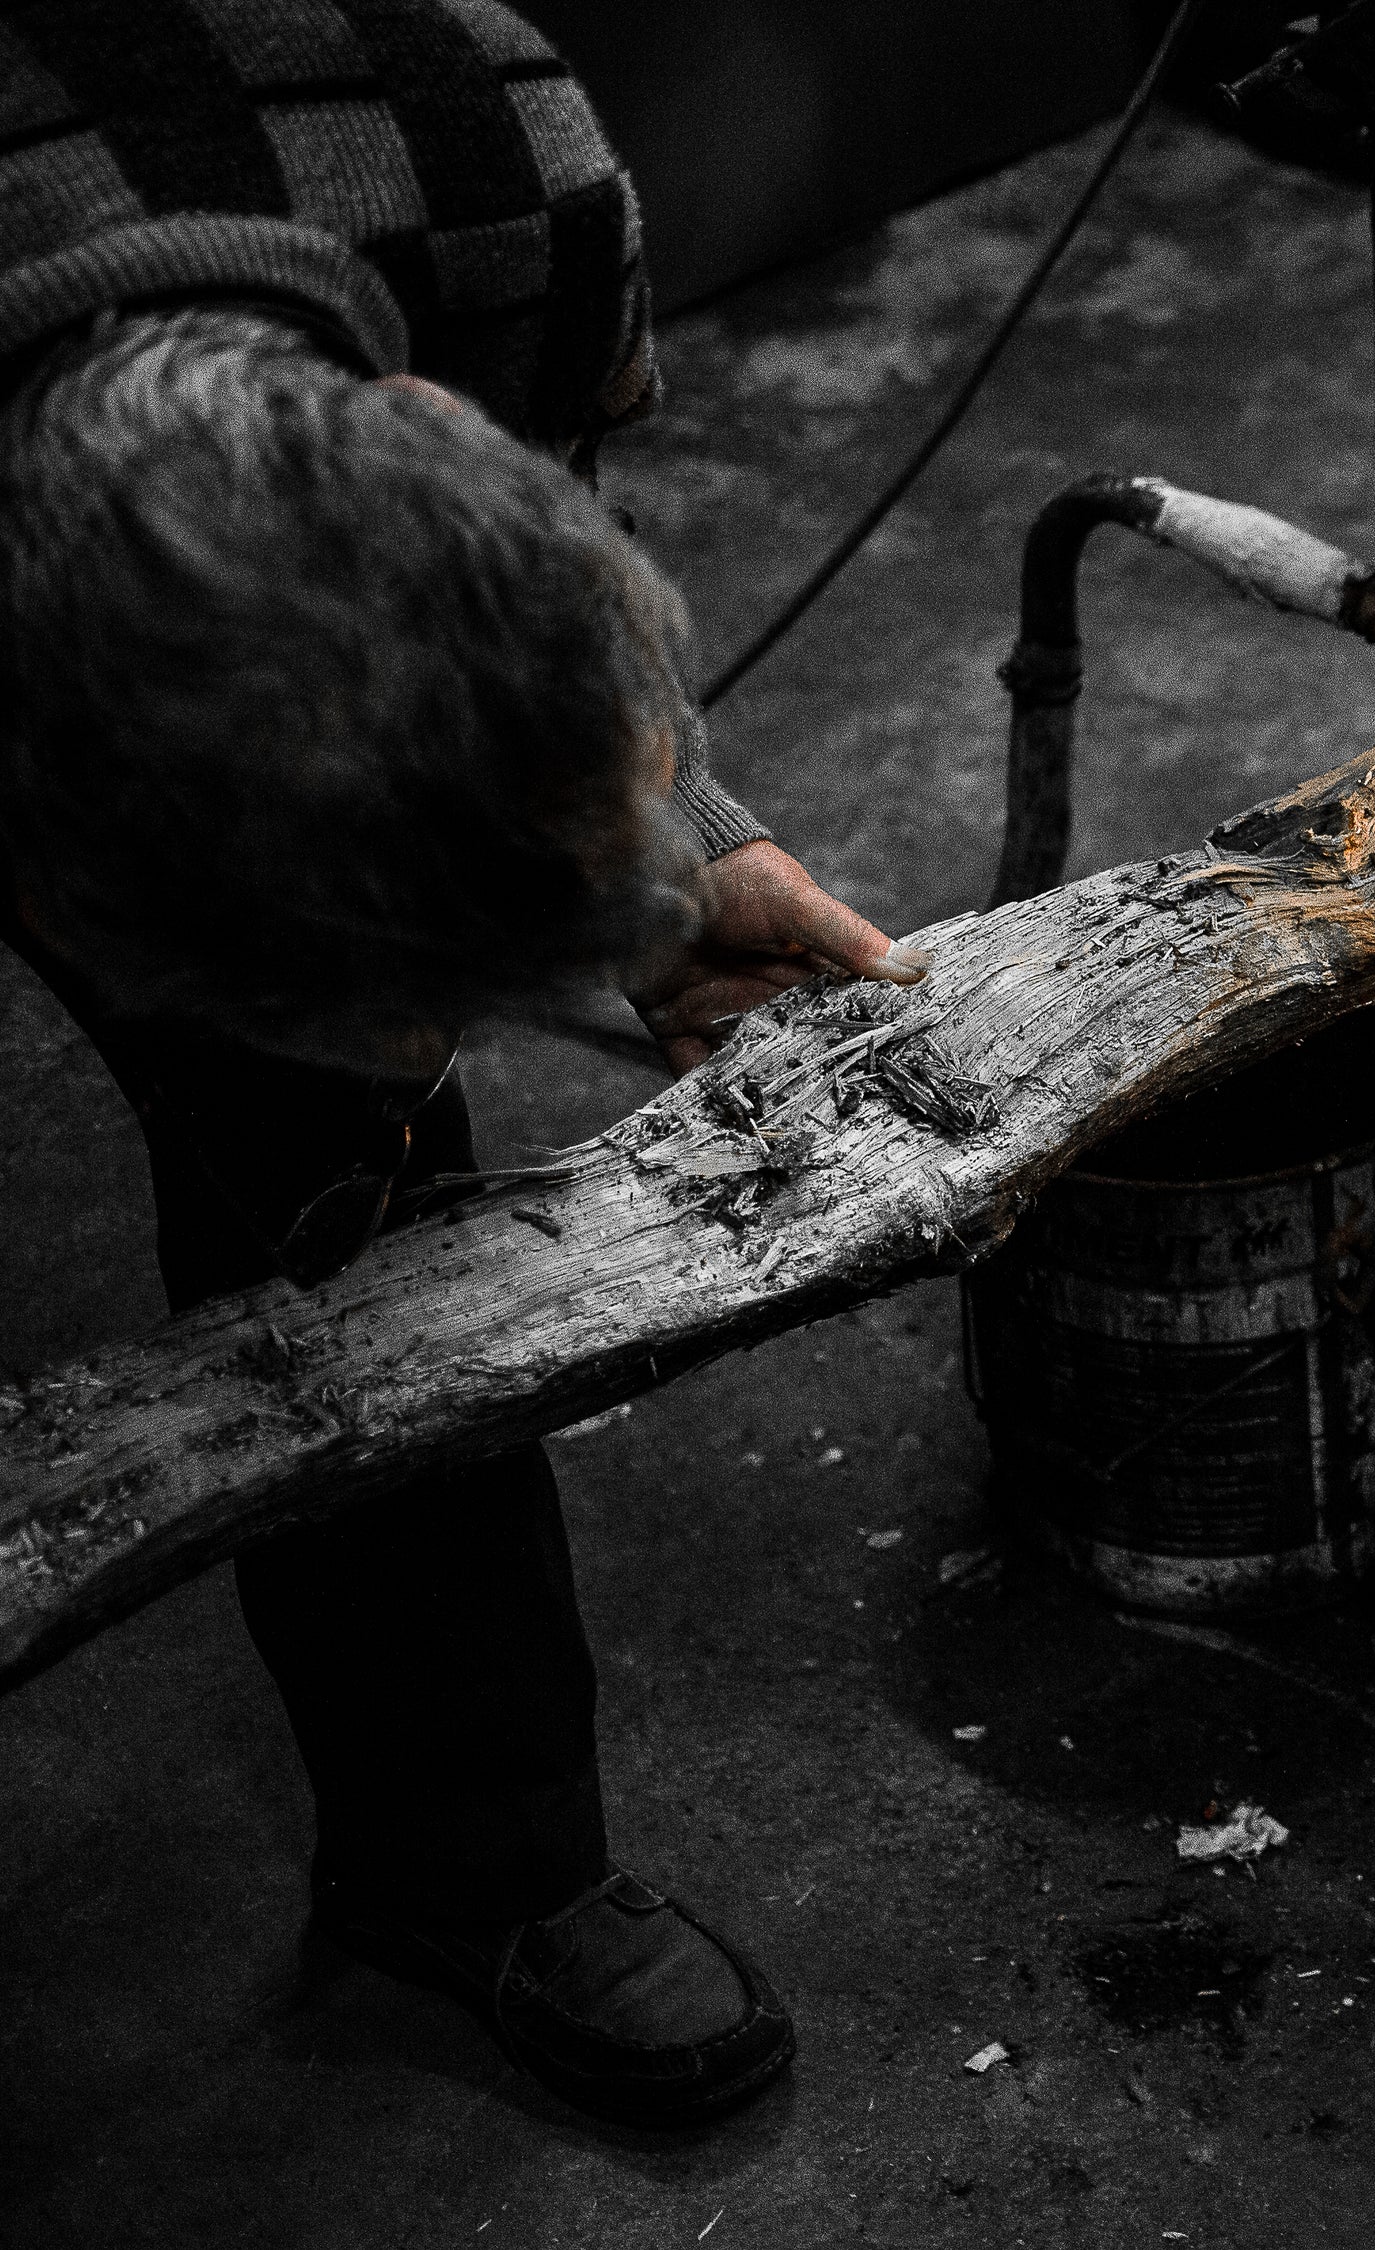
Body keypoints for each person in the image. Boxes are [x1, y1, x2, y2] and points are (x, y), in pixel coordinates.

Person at [0, 0, 907, 2127]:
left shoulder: (493, 175)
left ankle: (471, 1863)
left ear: (414, 413)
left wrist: (676, 857)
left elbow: (488, 626)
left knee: (339, 1164)